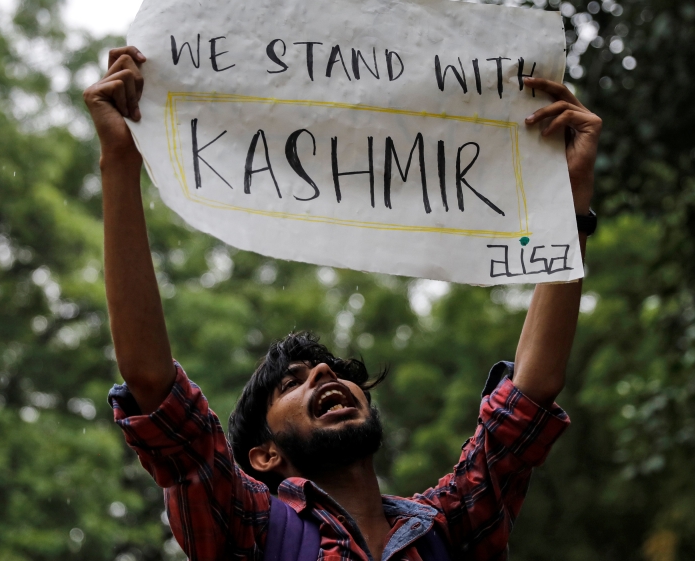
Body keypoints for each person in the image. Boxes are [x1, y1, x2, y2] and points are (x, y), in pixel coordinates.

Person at [84, 45, 602, 560]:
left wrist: (570, 196)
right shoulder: (250, 531)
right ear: (264, 455)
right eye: (291, 382)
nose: (323, 374)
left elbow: (526, 400)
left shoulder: (448, 528)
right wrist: (120, 161)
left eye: (331, 371)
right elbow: (156, 390)